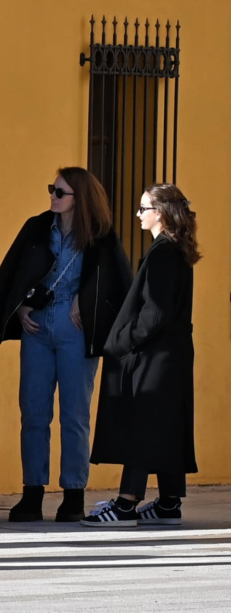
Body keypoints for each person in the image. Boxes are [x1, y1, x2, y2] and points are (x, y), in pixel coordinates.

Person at [0, 167, 132, 522]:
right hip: (37, 327)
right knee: (34, 412)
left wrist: (87, 300)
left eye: (60, 192)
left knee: (75, 415)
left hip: (75, 331)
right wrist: (18, 307)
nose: (53, 196)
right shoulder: (37, 227)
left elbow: (117, 284)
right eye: (53, 189)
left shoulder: (100, 236)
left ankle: (73, 495)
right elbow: (13, 272)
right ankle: (32, 493)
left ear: (79, 199)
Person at [82, 184, 200, 527]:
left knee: (141, 426)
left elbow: (155, 314)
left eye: (143, 208)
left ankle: (125, 504)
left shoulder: (164, 252)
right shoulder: (175, 249)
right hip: (171, 354)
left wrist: (122, 342)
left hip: (155, 355)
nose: (138, 215)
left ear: (159, 213)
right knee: (166, 425)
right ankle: (168, 503)